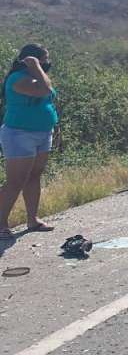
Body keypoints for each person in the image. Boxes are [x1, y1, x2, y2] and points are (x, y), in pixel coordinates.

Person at [0, 44, 60, 240]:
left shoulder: (39, 77)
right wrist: (35, 67)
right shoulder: (18, 79)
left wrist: (53, 123)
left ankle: (32, 219)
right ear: (32, 60)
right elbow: (44, 90)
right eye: (44, 59)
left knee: (34, 176)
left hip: (43, 133)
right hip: (19, 134)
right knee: (16, 182)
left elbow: (48, 99)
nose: (47, 63)